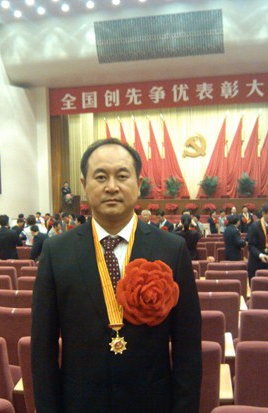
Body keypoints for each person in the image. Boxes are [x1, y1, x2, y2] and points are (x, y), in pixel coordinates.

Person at [32, 139, 202, 413]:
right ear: (84, 184)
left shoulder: (172, 249)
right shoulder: (56, 252)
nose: (111, 186)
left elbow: (188, 349)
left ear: (138, 183)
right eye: (100, 177)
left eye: (122, 176)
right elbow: (43, 350)